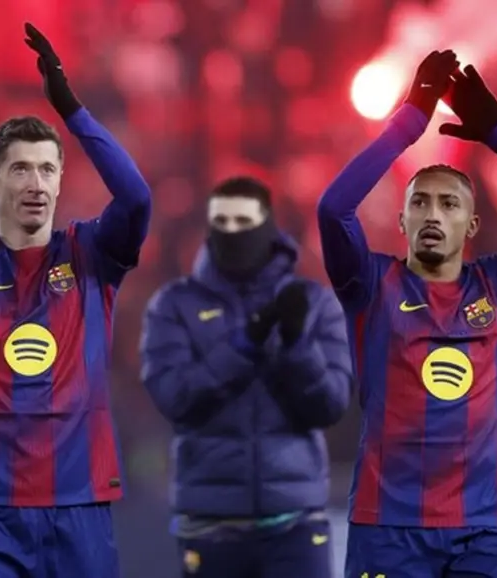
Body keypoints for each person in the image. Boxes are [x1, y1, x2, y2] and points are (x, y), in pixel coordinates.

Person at [317, 50, 497, 578]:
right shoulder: (370, 283)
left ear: (471, 226)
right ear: (401, 220)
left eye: (449, 205)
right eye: (419, 202)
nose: (432, 213)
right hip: (388, 529)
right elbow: (333, 209)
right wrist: (409, 123)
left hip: (480, 532)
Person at [0, 24, 151, 578]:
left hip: (79, 505)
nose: (35, 183)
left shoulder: (90, 254)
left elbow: (136, 199)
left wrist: (73, 111)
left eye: (46, 168)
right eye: (20, 168)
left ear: (61, 180)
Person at [140, 176, 353, 578]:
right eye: (222, 222)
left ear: (267, 227)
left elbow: (330, 405)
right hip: (210, 526)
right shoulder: (174, 305)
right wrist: (244, 345)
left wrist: (296, 346)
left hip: (294, 524)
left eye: (243, 222)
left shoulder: (312, 302)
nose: (232, 232)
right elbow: (175, 398)